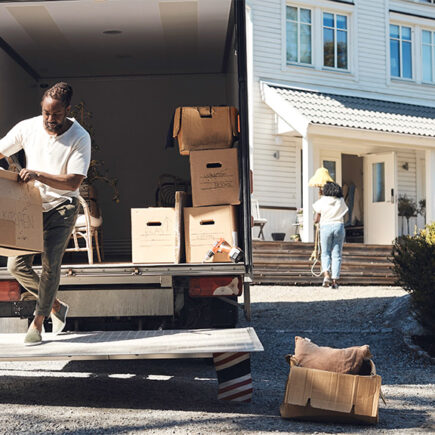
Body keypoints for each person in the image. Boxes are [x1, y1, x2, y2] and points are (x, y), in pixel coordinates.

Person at [0, 82, 91, 345]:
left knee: (51, 265)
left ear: (68, 110)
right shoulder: (27, 127)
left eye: (57, 115)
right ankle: (55, 306)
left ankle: (38, 323)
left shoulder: (80, 137)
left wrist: (37, 173)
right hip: (31, 205)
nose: (50, 119)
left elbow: (73, 182)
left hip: (63, 207)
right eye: (46, 113)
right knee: (15, 265)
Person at [313, 181, 348, 289]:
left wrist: (316, 221)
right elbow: (345, 213)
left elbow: (316, 218)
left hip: (325, 227)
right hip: (338, 225)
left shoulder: (322, 201)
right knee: (337, 254)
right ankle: (334, 281)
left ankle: (326, 275)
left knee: (325, 253)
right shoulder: (340, 200)